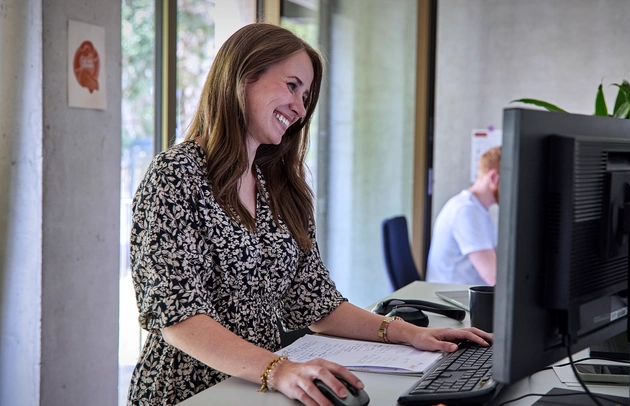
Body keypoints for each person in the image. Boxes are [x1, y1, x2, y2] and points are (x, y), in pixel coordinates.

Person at [127, 23, 493, 406]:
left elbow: (318, 305)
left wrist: (408, 334)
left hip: (261, 388)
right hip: (190, 393)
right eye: (292, 86)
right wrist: (279, 370)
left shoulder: (278, 186)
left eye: (305, 95)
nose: (301, 109)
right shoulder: (175, 175)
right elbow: (178, 317)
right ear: (244, 76)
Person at [425, 146, 501, 286]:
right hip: (451, 300)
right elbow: (495, 278)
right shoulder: (466, 211)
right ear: (494, 178)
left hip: (464, 296)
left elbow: (499, 260)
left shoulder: (479, 209)